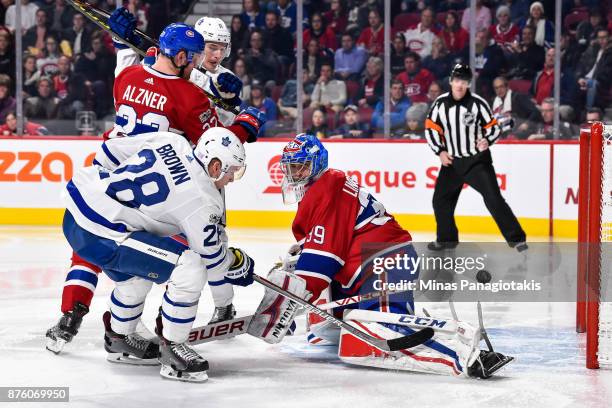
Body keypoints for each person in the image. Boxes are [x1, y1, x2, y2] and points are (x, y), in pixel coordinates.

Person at [45, 19, 265, 354]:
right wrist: (245, 125)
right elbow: (212, 143)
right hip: (169, 179)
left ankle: (73, 313)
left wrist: (131, 42)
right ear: (181, 56)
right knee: (193, 252)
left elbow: (151, 69)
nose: (196, 61)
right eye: (192, 57)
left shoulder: (127, 77)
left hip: (114, 169)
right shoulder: (191, 97)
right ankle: (181, 329)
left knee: (90, 249)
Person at [246, 133, 513, 379]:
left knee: (382, 330)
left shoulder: (328, 188)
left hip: (385, 259)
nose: (294, 174)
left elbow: (325, 257)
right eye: (290, 167)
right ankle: (333, 328)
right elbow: (323, 242)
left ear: (317, 164)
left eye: (301, 166)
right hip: (359, 268)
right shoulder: (323, 188)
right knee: (323, 325)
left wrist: (291, 300)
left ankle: (465, 357)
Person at [61, 126, 255, 382]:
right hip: (105, 232)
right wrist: (237, 263)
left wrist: (114, 201)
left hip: (78, 210)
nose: (231, 179)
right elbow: (212, 260)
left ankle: (119, 339)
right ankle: (173, 348)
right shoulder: (203, 199)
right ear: (215, 165)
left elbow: (109, 150)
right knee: (189, 267)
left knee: (136, 278)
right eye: (231, 171)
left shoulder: (173, 139)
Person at [425, 64, 526, 251]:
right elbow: (431, 128)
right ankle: (447, 239)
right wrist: (440, 151)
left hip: (476, 161)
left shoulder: (478, 103)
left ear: (469, 83)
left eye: (463, 81)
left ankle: (517, 239)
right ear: (450, 81)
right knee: (440, 200)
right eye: (456, 80)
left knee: (493, 199)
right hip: (452, 163)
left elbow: (493, 127)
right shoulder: (439, 103)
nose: (459, 85)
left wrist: (487, 140)